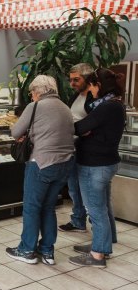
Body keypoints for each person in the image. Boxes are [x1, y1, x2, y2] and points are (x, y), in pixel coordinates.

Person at [6, 75, 75, 265]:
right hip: (65, 163)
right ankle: (47, 251)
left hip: (42, 162)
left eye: (31, 93)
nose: (31, 96)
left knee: (32, 207)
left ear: (37, 91)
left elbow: (15, 132)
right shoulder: (65, 107)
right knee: (48, 207)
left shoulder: (35, 106)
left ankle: (26, 250)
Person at [69, 68, 125, 268]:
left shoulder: (106, 107)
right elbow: (89, 128)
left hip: (95, 164)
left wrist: (85, 130)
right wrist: (88, 130)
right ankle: (102, 244)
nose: (90, 91)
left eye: (91, 86)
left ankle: (97, 255)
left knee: (95, 209)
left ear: (98, 85)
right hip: (106, 162)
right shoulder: (114, 104)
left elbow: (79, 128)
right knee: (102, 206)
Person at [59, 63, 94, 233]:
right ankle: (78, 220)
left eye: (76, 80)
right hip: (72, 147)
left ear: (87, 78)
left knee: (88, 190)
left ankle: (97, 227)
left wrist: (80, 130)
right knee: (73, 186)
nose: (72, 83)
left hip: (86, 150)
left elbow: (95, 124)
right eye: (71, 80)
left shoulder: (94, 99)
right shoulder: (76, 96)